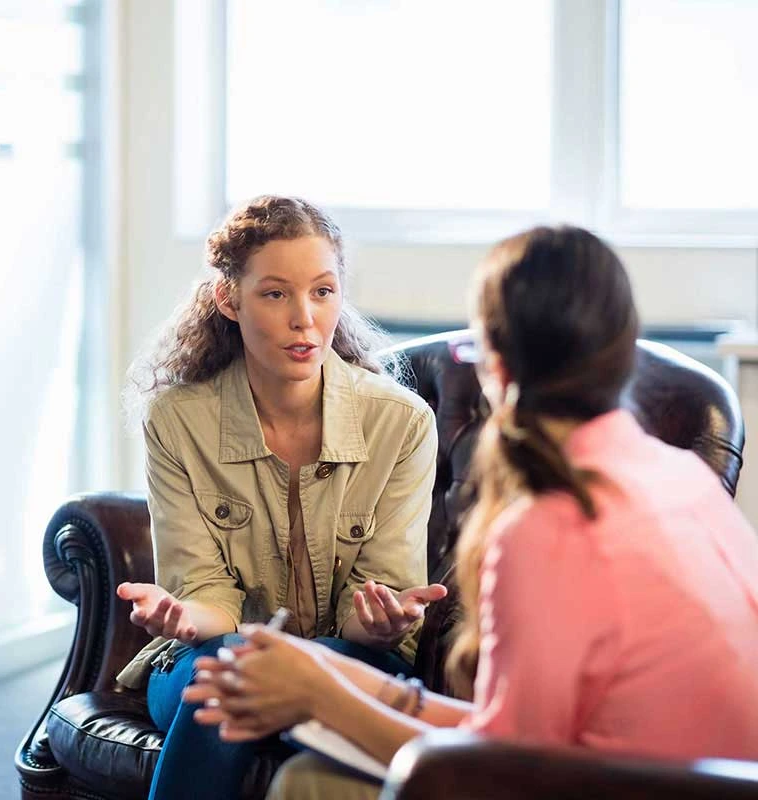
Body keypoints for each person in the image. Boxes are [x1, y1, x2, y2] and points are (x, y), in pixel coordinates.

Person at [185, 225, 758, 799]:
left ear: (498, 368)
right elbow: (515, 734)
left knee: (308, 784)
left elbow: (501, 771)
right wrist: (336, 676)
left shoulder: (547, 527)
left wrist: (320, 696)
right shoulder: (682, 477)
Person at [115, 195, 446, 800]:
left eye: (322, 291)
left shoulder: (402, 423)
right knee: (234, 668)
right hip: (209, 655)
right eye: (275, 294)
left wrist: (378, 620)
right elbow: (205, 592)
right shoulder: (177, 419)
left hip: (352, 658)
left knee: (268, 684)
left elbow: (378, 609)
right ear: (228, 299)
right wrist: (187, 617)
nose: (305, 319)